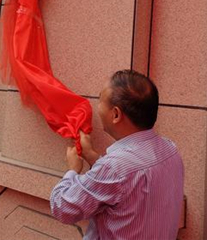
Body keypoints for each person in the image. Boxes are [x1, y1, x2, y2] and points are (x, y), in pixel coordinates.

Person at [50, 70, 184, 240]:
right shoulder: (170, 150)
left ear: (115, 114)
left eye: (100, 100)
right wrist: (91, 156)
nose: (97, 107)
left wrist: (73, 170)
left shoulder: (114, 168)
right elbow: (125, 185)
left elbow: (62, 208)